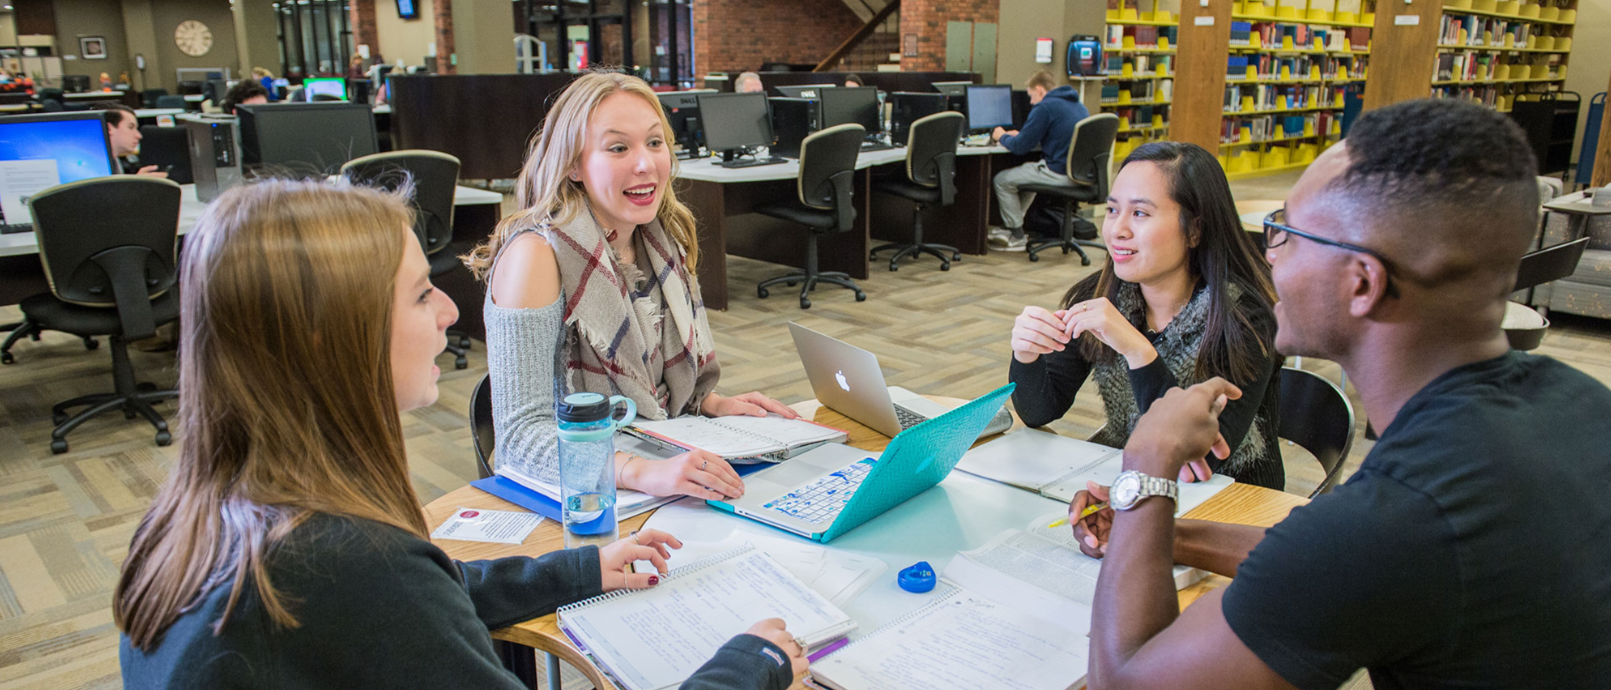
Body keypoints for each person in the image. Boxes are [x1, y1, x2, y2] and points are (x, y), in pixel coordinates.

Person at [114, 179, 809, 689]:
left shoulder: (208, 517)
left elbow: (413, 600)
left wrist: (578, 570)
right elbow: (387, 593)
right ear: (331, 337)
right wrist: (748, 667)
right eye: (421, 293)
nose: (450, 311)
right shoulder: (346, 564)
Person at [1069, 99, 1611, 689]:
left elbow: (1124, 683)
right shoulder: (1581, 404)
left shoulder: (1399, 515)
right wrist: (1161, 534)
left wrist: (1148, 466)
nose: (1268, 254)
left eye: (1287, 234)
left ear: (1361, 283)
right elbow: (1335, 557)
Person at [464, 72, 798, 503]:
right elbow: (519, 442)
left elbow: (652, 390)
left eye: (654, 143)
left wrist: (710, 404)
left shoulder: (659, 239)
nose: (645, 164)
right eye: (618, 148)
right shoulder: (536, 256)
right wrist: (639, 472)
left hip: (655, 458)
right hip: (582, 499)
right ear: (573, 165)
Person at [1009, 141, 1282, 488]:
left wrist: (1138, 351)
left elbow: (1198, 461)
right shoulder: (1102, 294)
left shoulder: (1246, 317)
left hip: (1234, 497)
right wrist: (1027, 354)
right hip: (1136, 480)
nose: (1117, 230)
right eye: (1112, 210)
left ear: (1195, 229)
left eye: (1140, 213)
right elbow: (1039, 411)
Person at [987, 70, 1089, 252]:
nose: (1031, 102)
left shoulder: (1045, 107)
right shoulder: (1078, 105)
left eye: (1031, 96)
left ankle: (1016, 234)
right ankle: (1013, 227)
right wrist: (1023, 135)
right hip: (1079, 173)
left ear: (1040, 90)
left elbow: (1019, 147)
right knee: (1027, 179)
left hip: (1058, 172)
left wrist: (1001, 135)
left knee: (1002, 180)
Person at [97, 103, 166, 178]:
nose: (139, 136)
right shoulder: (93, 167)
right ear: (109, 128)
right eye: (131, 127)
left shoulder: (113, 161)